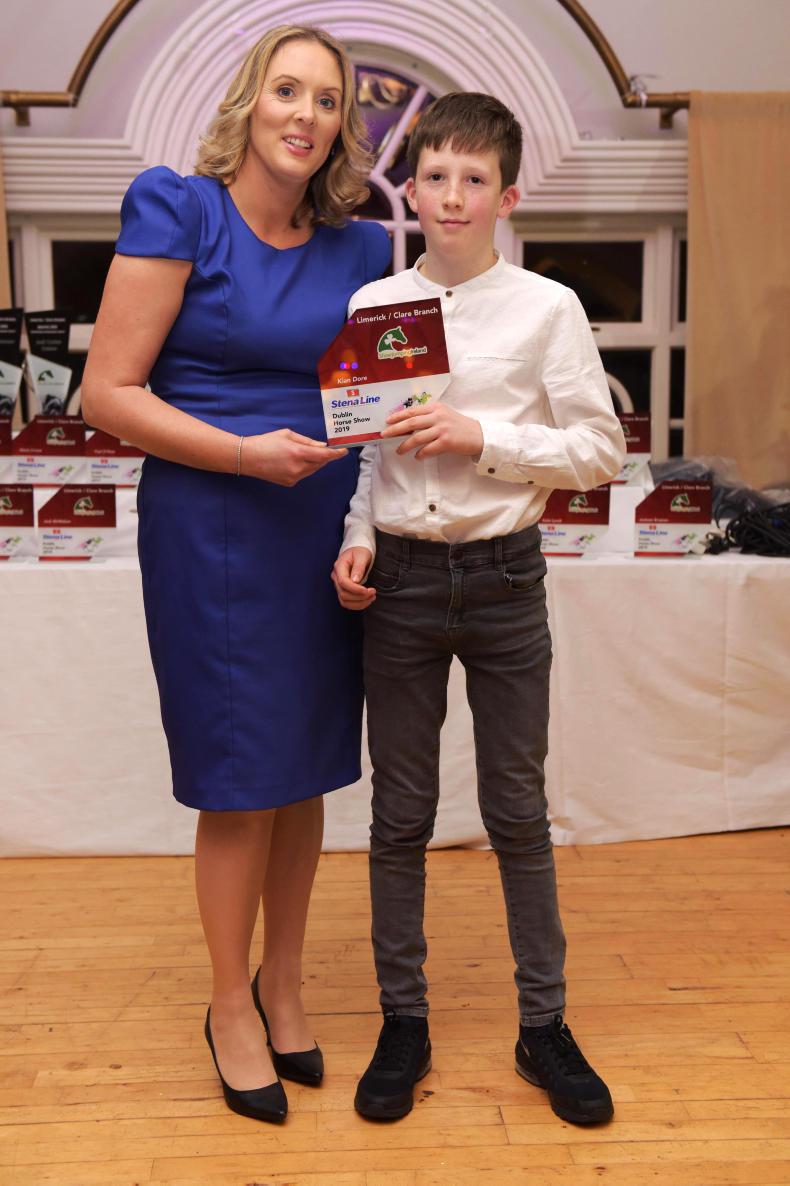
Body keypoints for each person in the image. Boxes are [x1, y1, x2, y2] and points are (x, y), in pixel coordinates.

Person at [82, 26, 390, 1124]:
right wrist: (244, 454)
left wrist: (368, 525)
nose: (304, 114)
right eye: (286, 90)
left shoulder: (362, 249)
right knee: (240, 777)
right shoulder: (179, 209)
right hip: (212, 520)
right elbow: (107, 394)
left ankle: (285, 984)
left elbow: (372, 406)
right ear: (250, 100)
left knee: (305, 770)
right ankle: (227, 1003)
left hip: (316, 522)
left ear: (341, 126)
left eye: (326, 99)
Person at [332, 92, 625, 1126]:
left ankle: (543, 1025)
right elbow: (366, 452)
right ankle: (401, 1021)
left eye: (473, 179)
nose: (452, 196)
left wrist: (481, 437)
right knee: (399, 816)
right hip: (401, 585)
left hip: (505, 580)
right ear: (410, 190)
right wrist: (357, 537)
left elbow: (600, 450)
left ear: (506, 196)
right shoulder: (374, 304)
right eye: (435, 176)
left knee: (516, 812)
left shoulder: (547, 308)